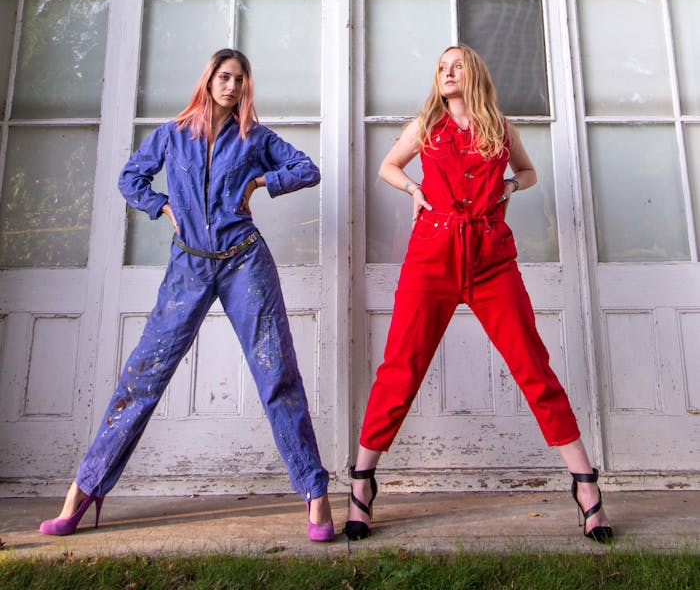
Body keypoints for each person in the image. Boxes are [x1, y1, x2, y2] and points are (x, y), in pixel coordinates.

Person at [40, 48, 334, 542]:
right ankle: (84, 491)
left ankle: (315, 494)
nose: (232, 86)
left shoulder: (254, 138)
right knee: (142, 376)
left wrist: (263, 179)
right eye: (225, 76)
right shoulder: (172, 136)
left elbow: (308, 169)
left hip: (245, 262)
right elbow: (129, 178)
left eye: (240, 79)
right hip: (189, 267)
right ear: (209, 79)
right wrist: (161, 206)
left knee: (276, 374)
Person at [344, 44, 612, 545]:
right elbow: (387, 166)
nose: (447, 72)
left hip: (491, 259)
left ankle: (585, 481)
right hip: (432, 257)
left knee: (533, 364)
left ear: (474, 74)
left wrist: (511, 188)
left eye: (456, 65)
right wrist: (413, 190)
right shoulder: (425, 126)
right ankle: (362, 481)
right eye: (441, 67)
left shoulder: (499, 128)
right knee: (401, 366)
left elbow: (528, 173)